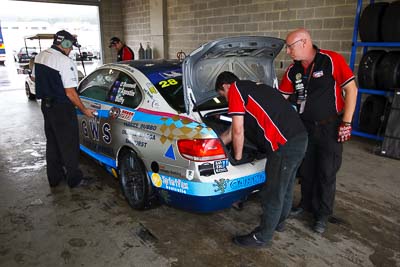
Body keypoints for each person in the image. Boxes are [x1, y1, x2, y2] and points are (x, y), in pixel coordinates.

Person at [215, 71, 308, 248]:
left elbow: (238, 131)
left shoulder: (235, 91)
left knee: (273, 193)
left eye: (223, 96)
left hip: (284, 145)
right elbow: (231, 130)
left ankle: (262, 237)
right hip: (300, 137)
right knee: (286, 187)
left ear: (226, 86)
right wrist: (217, 143)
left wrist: (237, 158)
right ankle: (279, 223)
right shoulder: (256, 87)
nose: (226, 100)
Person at [279, 28, 358, 233]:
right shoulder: (293, 70)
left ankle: (322, 214)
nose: (287, 51)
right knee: (306, 169)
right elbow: (282, 99)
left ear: (304, 43)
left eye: (290, 47)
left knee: (326, 171)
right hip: (304, 128)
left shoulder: (331, 60)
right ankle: (305, 204)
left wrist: (347, 123)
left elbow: (351, 89)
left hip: (330, 127)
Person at [32, 30, 95, 188]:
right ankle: (74, 179)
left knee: (52, 142)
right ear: (65, 44)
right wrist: (85, 110)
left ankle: (54, 178)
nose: (71, 49)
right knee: (69, 144)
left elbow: (34, 77)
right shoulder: (64, 62)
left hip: (46, 106)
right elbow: (71, 93)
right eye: (71, 46)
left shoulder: (40, 56)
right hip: (62, 108)